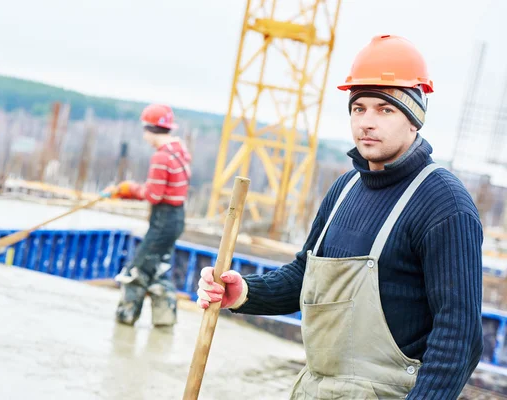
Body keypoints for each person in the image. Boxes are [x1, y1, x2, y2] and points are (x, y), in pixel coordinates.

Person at [196, 34, 484, 399]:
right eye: (359, 108)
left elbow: (458, 336)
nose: (367, 122)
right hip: (317, 389)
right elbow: (306, 277)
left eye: (385, 109)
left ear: (415, 119)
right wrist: (245, 292)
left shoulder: (443, 204)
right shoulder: (346, 188)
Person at [104, 103, 192, 327]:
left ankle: (124, 323)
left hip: (163, 220)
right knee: (158, 271)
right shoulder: (179, 151)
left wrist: (127, 189)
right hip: (176, 218)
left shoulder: (162, 157)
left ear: (149, 129)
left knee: (137, 271)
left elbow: (153, 194)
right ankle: (164, 324)